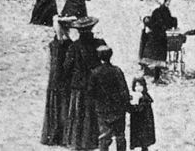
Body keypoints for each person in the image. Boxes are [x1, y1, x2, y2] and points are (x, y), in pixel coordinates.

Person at [64, 16, 105, 150]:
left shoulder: (74, 46)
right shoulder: (99, 43)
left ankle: (77, 142)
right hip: (95, 85)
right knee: (92, 114)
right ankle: (92, 141)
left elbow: (67, 67)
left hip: (78, 85)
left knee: (77, 114)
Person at [41, 16, 76, 146]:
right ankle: (63, 137)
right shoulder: (70, 45)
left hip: (54, 80)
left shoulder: (52, 44)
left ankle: (52, 135)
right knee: (64, 107)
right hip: (65, 81)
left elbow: (48, 65)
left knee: (54, 107)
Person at [88, 45, 130, 151]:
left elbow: (90, 92)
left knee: (104, 136)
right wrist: (126, 104)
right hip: (118, 109)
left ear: (98, 56)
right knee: (120, 135)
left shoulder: (95, 72)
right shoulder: (117, 70)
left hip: (102, 109)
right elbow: (124, 90)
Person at [140, 0, 177, 83]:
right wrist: (166, 25)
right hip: (156, 36)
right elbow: (158, 23)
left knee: (159, 57)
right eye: (166, 1)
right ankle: (156, 77)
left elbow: (169, 20)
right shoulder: (157, 11)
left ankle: (157, 75)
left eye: (169, 1)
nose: (168, 3)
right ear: (163, 2)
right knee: (157, 57)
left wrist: (174, 22)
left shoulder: (166, 10)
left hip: (161, 36)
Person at [127, 77, 156, 151]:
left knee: (144, 140)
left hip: (144, 122)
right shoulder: (134, 96)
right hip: (137, 122)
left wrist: (135, 107)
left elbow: (141, 108)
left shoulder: (145, 97)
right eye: (136, 86)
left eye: (140, 85)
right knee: (139, 138)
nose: (138, 88)